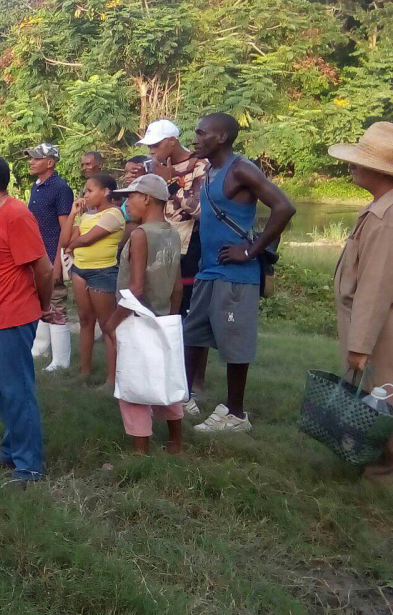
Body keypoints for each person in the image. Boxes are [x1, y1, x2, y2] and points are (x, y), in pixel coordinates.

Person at [184, 113, 295, 432]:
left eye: (201, 132)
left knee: (235, 341)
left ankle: (235, 414)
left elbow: (284, 207)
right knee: (193, 335)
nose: (195, 138)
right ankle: (185, 397)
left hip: (235, 275)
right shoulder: (210, 170)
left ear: (221, 138)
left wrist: (250, 250)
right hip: (209, 271)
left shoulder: (241, 168)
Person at [0, 153, 53, 483]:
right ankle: (11, 450)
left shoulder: (16, 215)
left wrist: (42, 306)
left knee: (17, 391)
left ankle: (29, 465)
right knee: (3, 391)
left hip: (12, 316)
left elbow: (43, 269)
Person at [327, 121, 393, 482]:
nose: (352, 165)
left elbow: (376, 287)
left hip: (382, 331)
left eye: (359, 161)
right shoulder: (377, 209)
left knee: (383, 395)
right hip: (372, 327)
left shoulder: (387, 219)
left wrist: (361, 344)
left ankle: (382, 475)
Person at [105, 174, 184, 453]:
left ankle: (140, 449)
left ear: (147, 198)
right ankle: (175, 441)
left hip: (136, 320)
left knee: (134, 384)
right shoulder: (171, 233)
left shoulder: (140, 235)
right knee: (164, 378)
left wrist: (111, 324)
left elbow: (136, 288)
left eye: (131, 197)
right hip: (161, 318)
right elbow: (177, 285)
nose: (128, 203)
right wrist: (169, 320)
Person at [138, 119, 210, 324]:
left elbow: (201, 211)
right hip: (156, 243)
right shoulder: (153, 166)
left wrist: (170, 183)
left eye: (156, 144)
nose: (151, 150)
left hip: (187, 249)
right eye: (149, 146)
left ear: (172, 141)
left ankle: (182, 352)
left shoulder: (200, 165)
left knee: (181, 309)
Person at [65, 173, 125, 387]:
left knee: (108, 325)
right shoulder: (87, 216)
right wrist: (73, 215)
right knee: (85, 320)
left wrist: (73, 244)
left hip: (102, 272)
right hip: (80, 270)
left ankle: (112, 379)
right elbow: (65, 240)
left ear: (106, 191)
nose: (85, 195)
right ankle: (84, 371)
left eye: (90, 190)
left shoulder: (114, 214)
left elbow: (88, 239)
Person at [25, 143, 75, 371]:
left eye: (36, 158)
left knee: (56, 301)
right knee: (38, 301)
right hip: (37, 254)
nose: (31, 162)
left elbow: (63, 230)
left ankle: (61, 360)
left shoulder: (60, 188)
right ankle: (40, 348)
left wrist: (57, 263)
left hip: (52, 255)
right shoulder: (37, 187)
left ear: (50, 162)